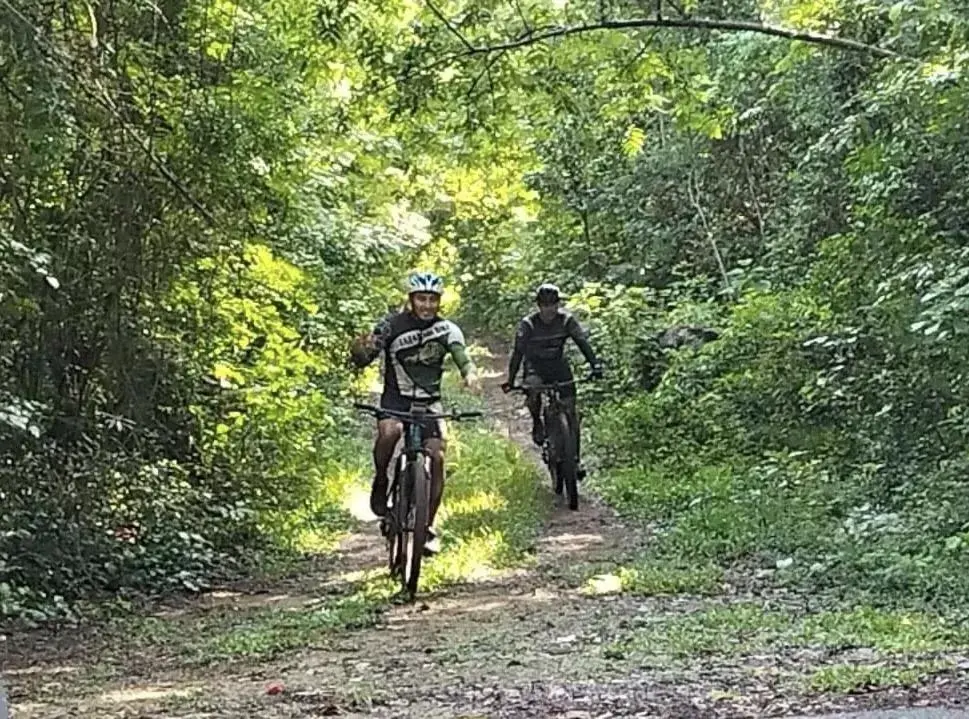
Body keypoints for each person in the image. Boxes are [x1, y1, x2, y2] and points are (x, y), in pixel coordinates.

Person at [350, 271, 479, 555]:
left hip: (429, 403)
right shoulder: (391, 325)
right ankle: (382, 477)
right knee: (390, 431)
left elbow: (462, 356)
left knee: (438, 456)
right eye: (422, 299)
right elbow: (365, 356)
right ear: (411, 300)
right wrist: (360, 350)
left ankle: (427, 527)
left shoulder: (447, 329)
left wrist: (469, 374)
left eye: (432, 300)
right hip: (396, 399)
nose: (427, 305)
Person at [501, 283, 602, 479]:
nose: (549, 309)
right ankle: (537, 421)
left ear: (558, 304)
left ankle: (575, 460)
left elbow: (583, 343)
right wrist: (511, 380)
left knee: (572, 412)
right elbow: (518, 353)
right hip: (535, 367)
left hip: (558, 366)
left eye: (553, 304)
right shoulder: (528, 325)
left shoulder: (566, 321)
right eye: (545, 305)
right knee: (533, 391)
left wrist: (595, 365)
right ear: (539, 306)